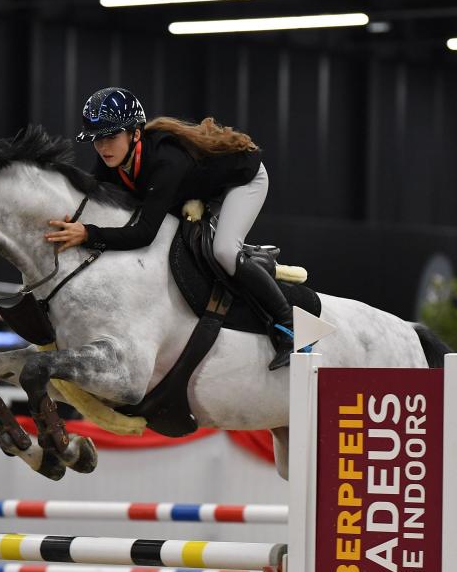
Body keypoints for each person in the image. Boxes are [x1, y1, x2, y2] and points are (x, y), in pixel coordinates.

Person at [46, 87, 293, 370]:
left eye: (111, 138)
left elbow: (144, 233)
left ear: (135, 134)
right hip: (197, 188)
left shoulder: (165, 161)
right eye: (96, 140)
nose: (103, 148)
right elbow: (91, 194)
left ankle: (288, 325)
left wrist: (88, 233)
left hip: (243, 180)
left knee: (224, 251)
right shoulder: (114, 160)